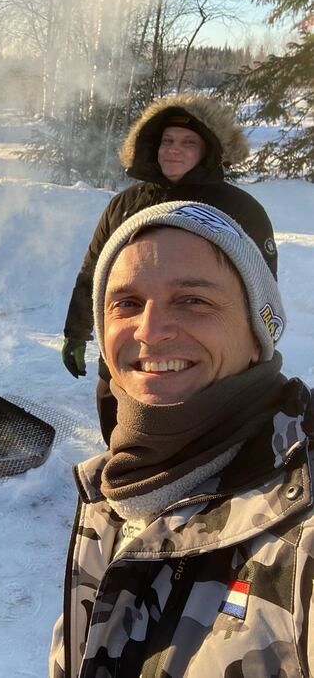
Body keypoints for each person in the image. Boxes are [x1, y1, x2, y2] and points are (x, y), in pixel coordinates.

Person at [49, 201, 314, 677]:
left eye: (194, 300)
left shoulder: (301, 530)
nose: (149, 331)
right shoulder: (118, 487)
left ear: (258, 335)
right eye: (127, 303)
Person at [60, 93, 278, 443]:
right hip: (127, 353)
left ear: (208, 151)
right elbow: (93, 275)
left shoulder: (240, 209)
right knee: (118, 428)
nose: (174, 149)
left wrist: (257, 352)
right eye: (167, 141)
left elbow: (262, 291)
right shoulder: (124, 205)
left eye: (188, 142)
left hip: (201, 364)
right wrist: (76, 333)